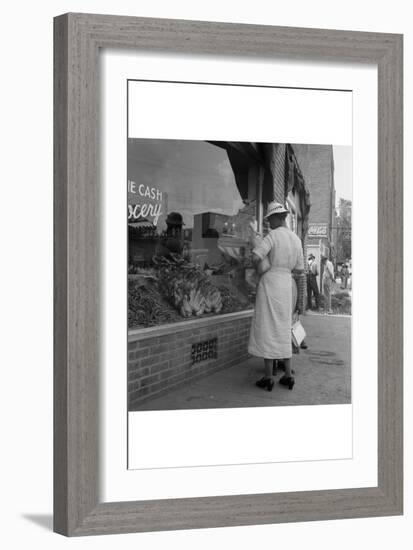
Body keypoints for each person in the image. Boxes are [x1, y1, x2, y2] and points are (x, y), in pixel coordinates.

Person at [248, 201, 304, 391]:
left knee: (268, 328)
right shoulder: (296, 240)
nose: (269, 222)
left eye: (270, 218)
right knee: (282, 328)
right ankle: (288, 376)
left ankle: (268, 377)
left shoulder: (272, 236)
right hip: (286, 285)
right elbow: (300, 269)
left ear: (276, 217)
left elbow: (256, 256)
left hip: (270, 283)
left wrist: (257, 268)